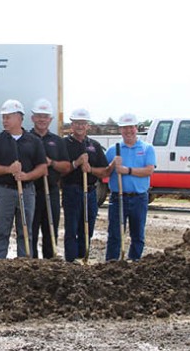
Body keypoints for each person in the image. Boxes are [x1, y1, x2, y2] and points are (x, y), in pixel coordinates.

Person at [0, 100, 47, 258]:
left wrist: (27, 176)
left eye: (8, 117)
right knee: (2, 231)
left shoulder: (34, 141)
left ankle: (24, 265)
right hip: (4, 191)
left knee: (25, 231)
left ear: (19, 117)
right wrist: (8, 169)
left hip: (27, 191)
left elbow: (42, 167)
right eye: (3, 117)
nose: (4, 121)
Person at [59, 108, 108, 263]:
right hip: (71, 190)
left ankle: (83, 257)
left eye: (83, 123)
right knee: (71, 227)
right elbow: (60, 170)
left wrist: (91, 169)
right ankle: (71, 260)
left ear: (88, 126)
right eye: (76, 123)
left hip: (90, 191)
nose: (80, 126)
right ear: (71, 125)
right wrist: (76, 163)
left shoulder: (94, 145)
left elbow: (104, 171)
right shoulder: (64, 144)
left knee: (87, 226)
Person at [105, 113, 156, 261]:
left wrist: (127, 170)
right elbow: (104, 172)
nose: (128, 131)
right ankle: (111, 265)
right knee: (115, 234)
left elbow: (149, 170)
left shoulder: (147, 149)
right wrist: (113, 165)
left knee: (138, 235)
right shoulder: (113, 150)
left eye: (131, 127)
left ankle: (134, 263)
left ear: (136, 128)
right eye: (125, 128)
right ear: (120, 130)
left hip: (139, 198)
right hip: (118, 198)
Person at [29, 99, 66, 259]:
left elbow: (66, 167)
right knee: (31, 230)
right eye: (39, 116)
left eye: (45, 116)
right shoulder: (26, 139)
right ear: (33, 118)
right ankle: (32, 264)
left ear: (50, 119)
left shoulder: (57, 141)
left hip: (51, 191)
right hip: (31, 191)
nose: (42, 119)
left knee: (50, 229)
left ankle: (49, 264)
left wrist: (51, 163)